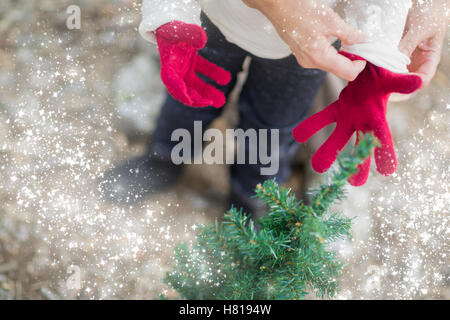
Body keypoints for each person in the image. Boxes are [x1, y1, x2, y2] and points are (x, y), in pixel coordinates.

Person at [100, 0, 447, 217]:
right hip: (217, 17)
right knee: (191, 99)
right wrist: (171, 16)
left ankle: (251, 201)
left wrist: (375, 59)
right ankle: (165, 159)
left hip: (314, 42)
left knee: (271, 127)